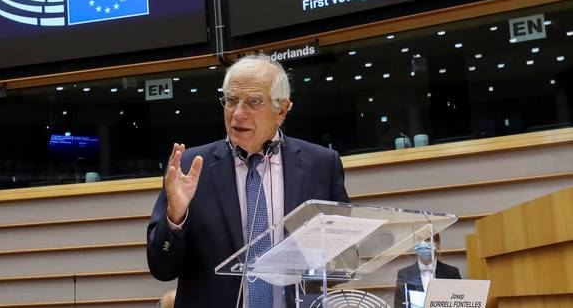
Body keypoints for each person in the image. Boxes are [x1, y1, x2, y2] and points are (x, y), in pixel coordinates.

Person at [147, 54, 349, 308]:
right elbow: (161, 268)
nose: (238, 113)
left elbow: (342, 260)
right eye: (231, 101)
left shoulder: (321, 164)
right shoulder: (190, 166)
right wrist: (175, 218)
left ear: (281, 110)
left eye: (253, 102)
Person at [394, 233, 461, 308]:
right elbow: (399, 305)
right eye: (420, 240)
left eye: (428, 240)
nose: (424, 244)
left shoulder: (452, 273)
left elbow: (459, 303)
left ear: (437, 244)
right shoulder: (404, 274)